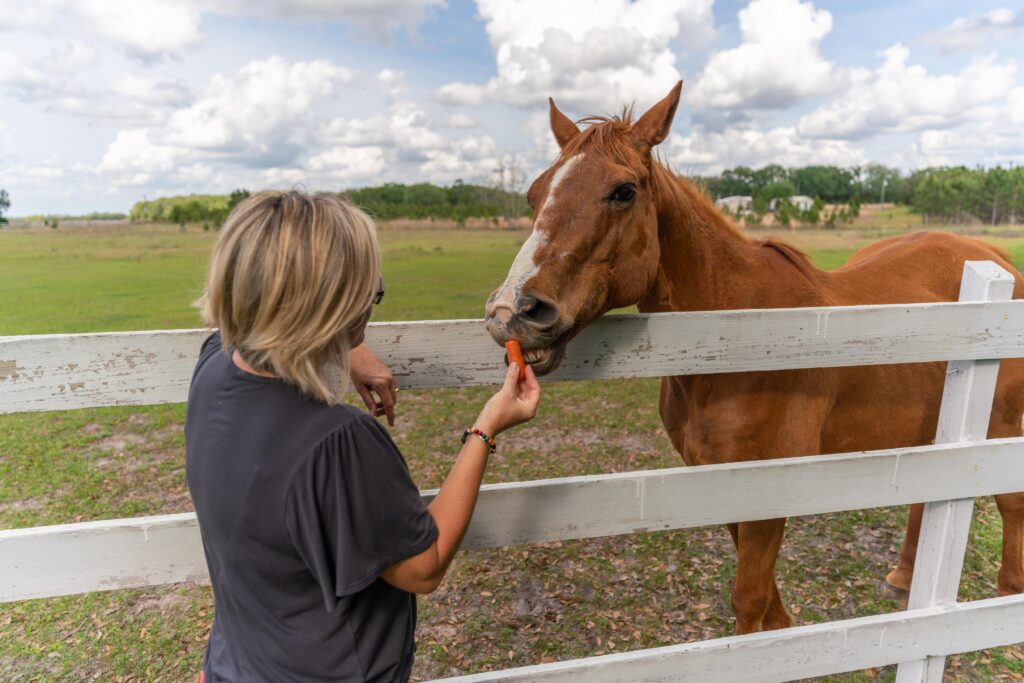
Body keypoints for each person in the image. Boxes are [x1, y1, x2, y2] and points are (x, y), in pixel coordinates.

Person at [184, 190, 541, 682]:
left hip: (234, 666)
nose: (373, 302)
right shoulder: (337, 441)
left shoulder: (213, 372)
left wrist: (344, 349)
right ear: (336, 306)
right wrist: (486, 428)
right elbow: (424, 568)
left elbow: (249, 326)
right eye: (370, 293)